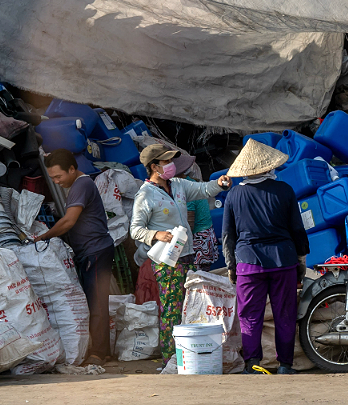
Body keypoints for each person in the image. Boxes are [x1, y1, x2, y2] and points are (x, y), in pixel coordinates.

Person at [129, 144, 231, 365]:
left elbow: (204, 190)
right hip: (166, 261)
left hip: (187, 255)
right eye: (167, 162)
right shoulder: (145, 195)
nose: (172, 165)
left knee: (188, 306)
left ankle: (187, 354)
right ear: (154, 167)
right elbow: (135, 230)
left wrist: (220, 184)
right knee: (171, 308)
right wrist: (156, 234)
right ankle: (170, 359)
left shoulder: (179, 186)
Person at [219, 139, 308, 375]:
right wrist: (301, 259)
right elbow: (297, 229)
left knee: (249, 316)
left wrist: (231, 266)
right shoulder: (285, 190)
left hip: (248, 264)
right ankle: (285, 365)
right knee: (285, 315)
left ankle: (252, 363)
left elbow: (228, 235)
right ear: (270, 167)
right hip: (283, 261)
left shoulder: (234, 195)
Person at [35, 149, 114, 366]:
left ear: (72, 169)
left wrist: (43, 237)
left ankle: (98, 354)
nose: (57, 182)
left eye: (59, 177)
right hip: (92, 250)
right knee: (96, 301)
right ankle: (103, 351)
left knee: (96, 303)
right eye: (52, 179)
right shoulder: (79, 185)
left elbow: (69, 221)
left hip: (95, 251)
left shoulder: (82, 185)